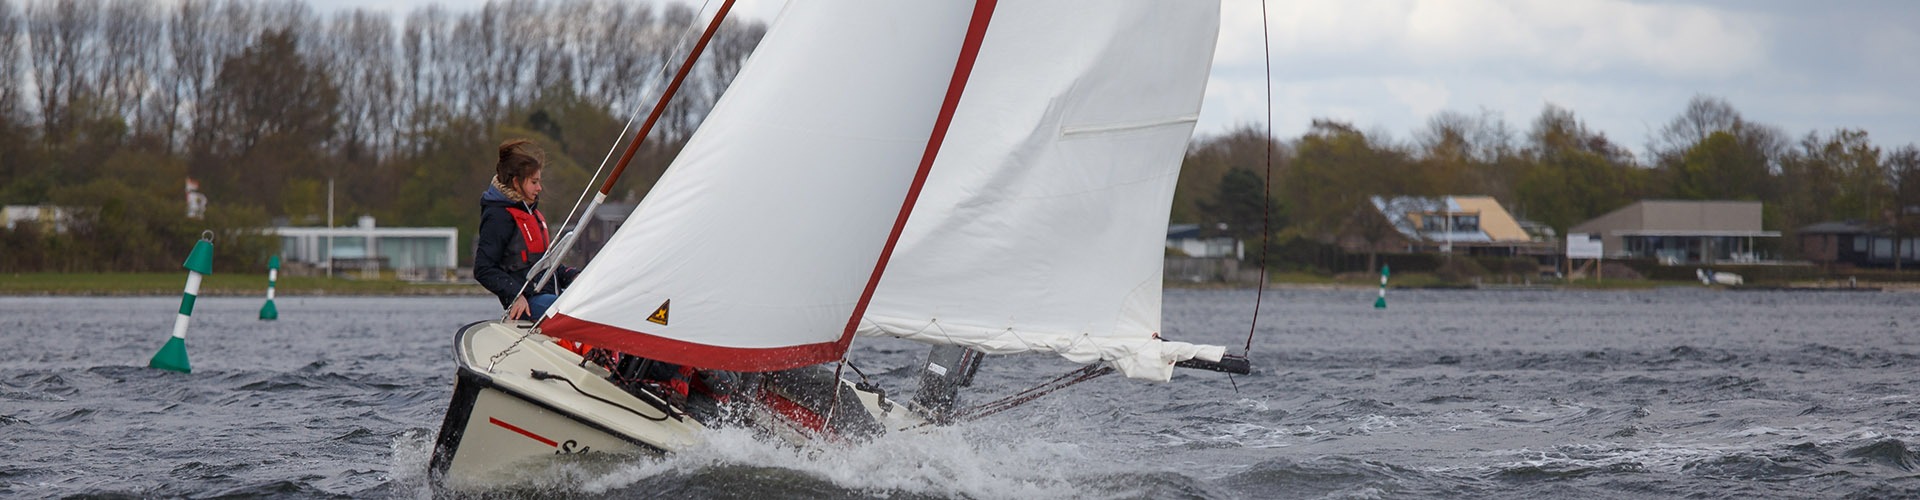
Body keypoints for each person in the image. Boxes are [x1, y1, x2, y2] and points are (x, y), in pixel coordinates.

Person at [475, 139, 578, 320]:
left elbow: (542, 264)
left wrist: (571, 275)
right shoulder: (498, 216)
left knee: (590, 306)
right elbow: (483, 268)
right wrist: (516, 295)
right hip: (528, 304)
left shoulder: (531, 214)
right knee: (573, 313)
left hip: (549, 297)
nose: (539, 188)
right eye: (534, 182)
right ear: (516, 182)